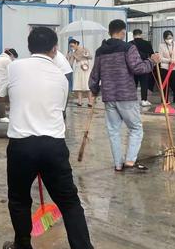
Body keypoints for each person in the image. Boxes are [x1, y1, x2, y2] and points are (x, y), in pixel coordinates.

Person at [0, 27, 108, 249]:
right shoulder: (60, 77)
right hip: (53, 146)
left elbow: (1, 95)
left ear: (28, 47)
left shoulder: (15, 67)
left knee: (19, 199)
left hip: (22, 145)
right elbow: (57, 108)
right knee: (69, 203)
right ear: (55, 49)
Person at [89, 20, 161, 173]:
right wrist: (151, 61)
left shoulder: (100, 51)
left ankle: (118, 165)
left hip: (109, 96)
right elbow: (138, 68)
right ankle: (129, 161)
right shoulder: (128, 48)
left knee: (114, 131)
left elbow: (95, 74)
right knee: (136, 128)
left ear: (110, 32)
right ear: (122, 32)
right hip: (126, 95)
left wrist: (93, 90)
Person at [130, 29, 154, 107]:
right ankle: (144, 100)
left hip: (133, 67)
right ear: (141, 34)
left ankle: (132, 100)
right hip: (144, 66)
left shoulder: (129, 44)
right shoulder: (147, 43)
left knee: (134, 83)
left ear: (133, 35)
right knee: (144, 84)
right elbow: (152, 55)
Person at [158, 30, 175, 114]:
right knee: (164, 87)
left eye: (170, 38)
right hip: (165, 69)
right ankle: (165, 105)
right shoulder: (161, 46)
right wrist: (169, 60)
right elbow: (160, 58)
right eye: (167, 38)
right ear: (164, 39)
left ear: (173, 37)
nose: (169, 40)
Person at [67, 39, 94, 107]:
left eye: (72, 45)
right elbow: (71, 63)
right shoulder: (72, 52)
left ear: (76, 44)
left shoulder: (84, 49)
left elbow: (91, 57)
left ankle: (90, 101)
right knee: (78, 84)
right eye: (70, 46)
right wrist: (68, 57)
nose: (71, 47)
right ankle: (80, 101)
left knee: (87, 84)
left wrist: (86, 54)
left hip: (86, 67)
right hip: (78, 67)